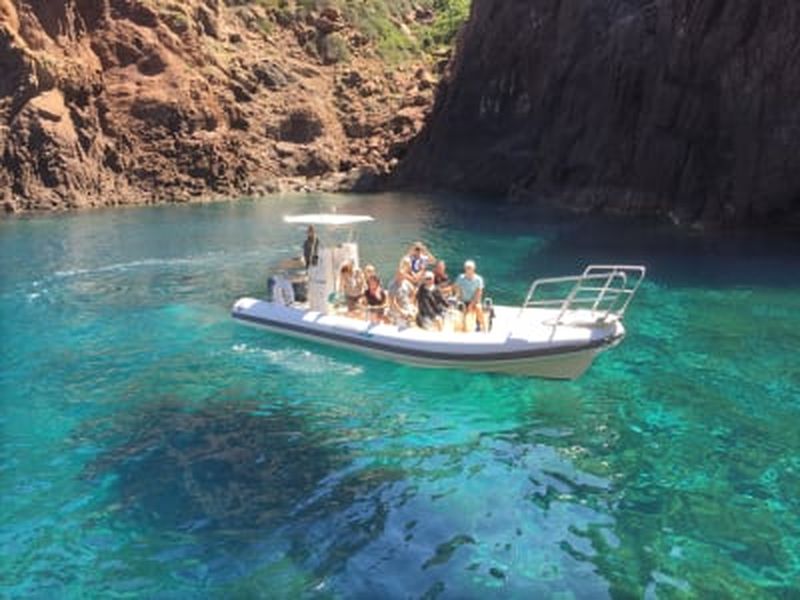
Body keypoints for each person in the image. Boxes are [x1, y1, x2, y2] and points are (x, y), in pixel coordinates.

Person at [455, 259, 487, 332]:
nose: (468, 269)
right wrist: (458, 300)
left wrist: (471, 304)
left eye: (470, 268)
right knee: (457, 311)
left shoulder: (479, 279)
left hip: (474, 301)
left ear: (473, 269)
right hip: (463, 300)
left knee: (478, 307)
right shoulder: (460, 277)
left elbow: (478, 293)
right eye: (467, 267)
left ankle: (483, 327)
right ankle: (460, 327)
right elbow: (457, 290)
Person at [388, 257, 417, 326]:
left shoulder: (406, 282)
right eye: (399, 275)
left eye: (402, 275)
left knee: (415, 315)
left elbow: (414, 291)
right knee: (406, 318)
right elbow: (393, 302)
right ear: (396, 275)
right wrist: (402, 312)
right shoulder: (392, 285)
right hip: (397, 308)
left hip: (406, 305)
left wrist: (411, 303)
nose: (400, 277)